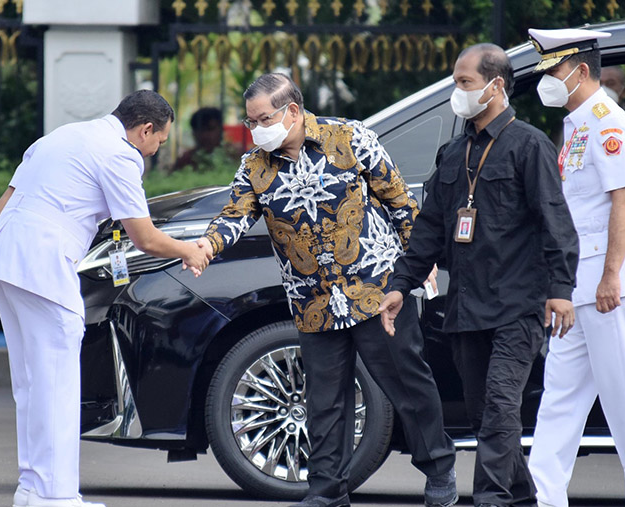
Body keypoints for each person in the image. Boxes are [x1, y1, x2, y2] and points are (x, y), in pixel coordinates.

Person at [196, 73, 457, 507]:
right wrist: (207, 245)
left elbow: (400, 202)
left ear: (292, 111)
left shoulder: (350, 137)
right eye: (250, 121)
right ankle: (327, 492)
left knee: (407, 385)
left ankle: (439, 470)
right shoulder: (254, 166)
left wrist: (417, 264)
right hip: (313, 302)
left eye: (263, 118)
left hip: (376, 290)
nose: (255, 128)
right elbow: (233, 216)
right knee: (324, 404)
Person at [0, 90, 211, 507]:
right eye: (160, 140)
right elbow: (144, 236)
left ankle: (32, 488)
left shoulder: (63, 135)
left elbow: (6, 200)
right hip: (44, 266)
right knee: (59, 383)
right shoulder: (120, 154)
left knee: (31, 384)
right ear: (145, 129)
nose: (157, 149)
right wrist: (190, 250)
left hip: (7, 259)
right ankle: (56, 496)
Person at [378, 43, 579, 507]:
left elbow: (556, 223)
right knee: (482, 413)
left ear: (496, 86)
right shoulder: (453, 154)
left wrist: (560, 291)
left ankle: (490, 499)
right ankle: (523, 498)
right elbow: (428, 229)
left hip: (517, 306)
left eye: (465, 83)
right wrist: (398, 285)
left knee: (500, 409)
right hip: (467, 307)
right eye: (456, 82)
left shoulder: (529, 145)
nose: (458, 91)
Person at [524, 28, 625, 507]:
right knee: (559, 397)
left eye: (553, 72)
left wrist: (611, 275)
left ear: (578, 71)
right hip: (579, 281)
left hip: (606, 282)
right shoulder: (577, 121)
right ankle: (540, 497)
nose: (547, 81)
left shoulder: (606, 120)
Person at [172, 107, 239, 172]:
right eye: (202, 130)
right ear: (194, 133)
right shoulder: (186, 160)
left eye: (210, 129)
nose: (206, 135)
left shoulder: (236, 156)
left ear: (221, 130)